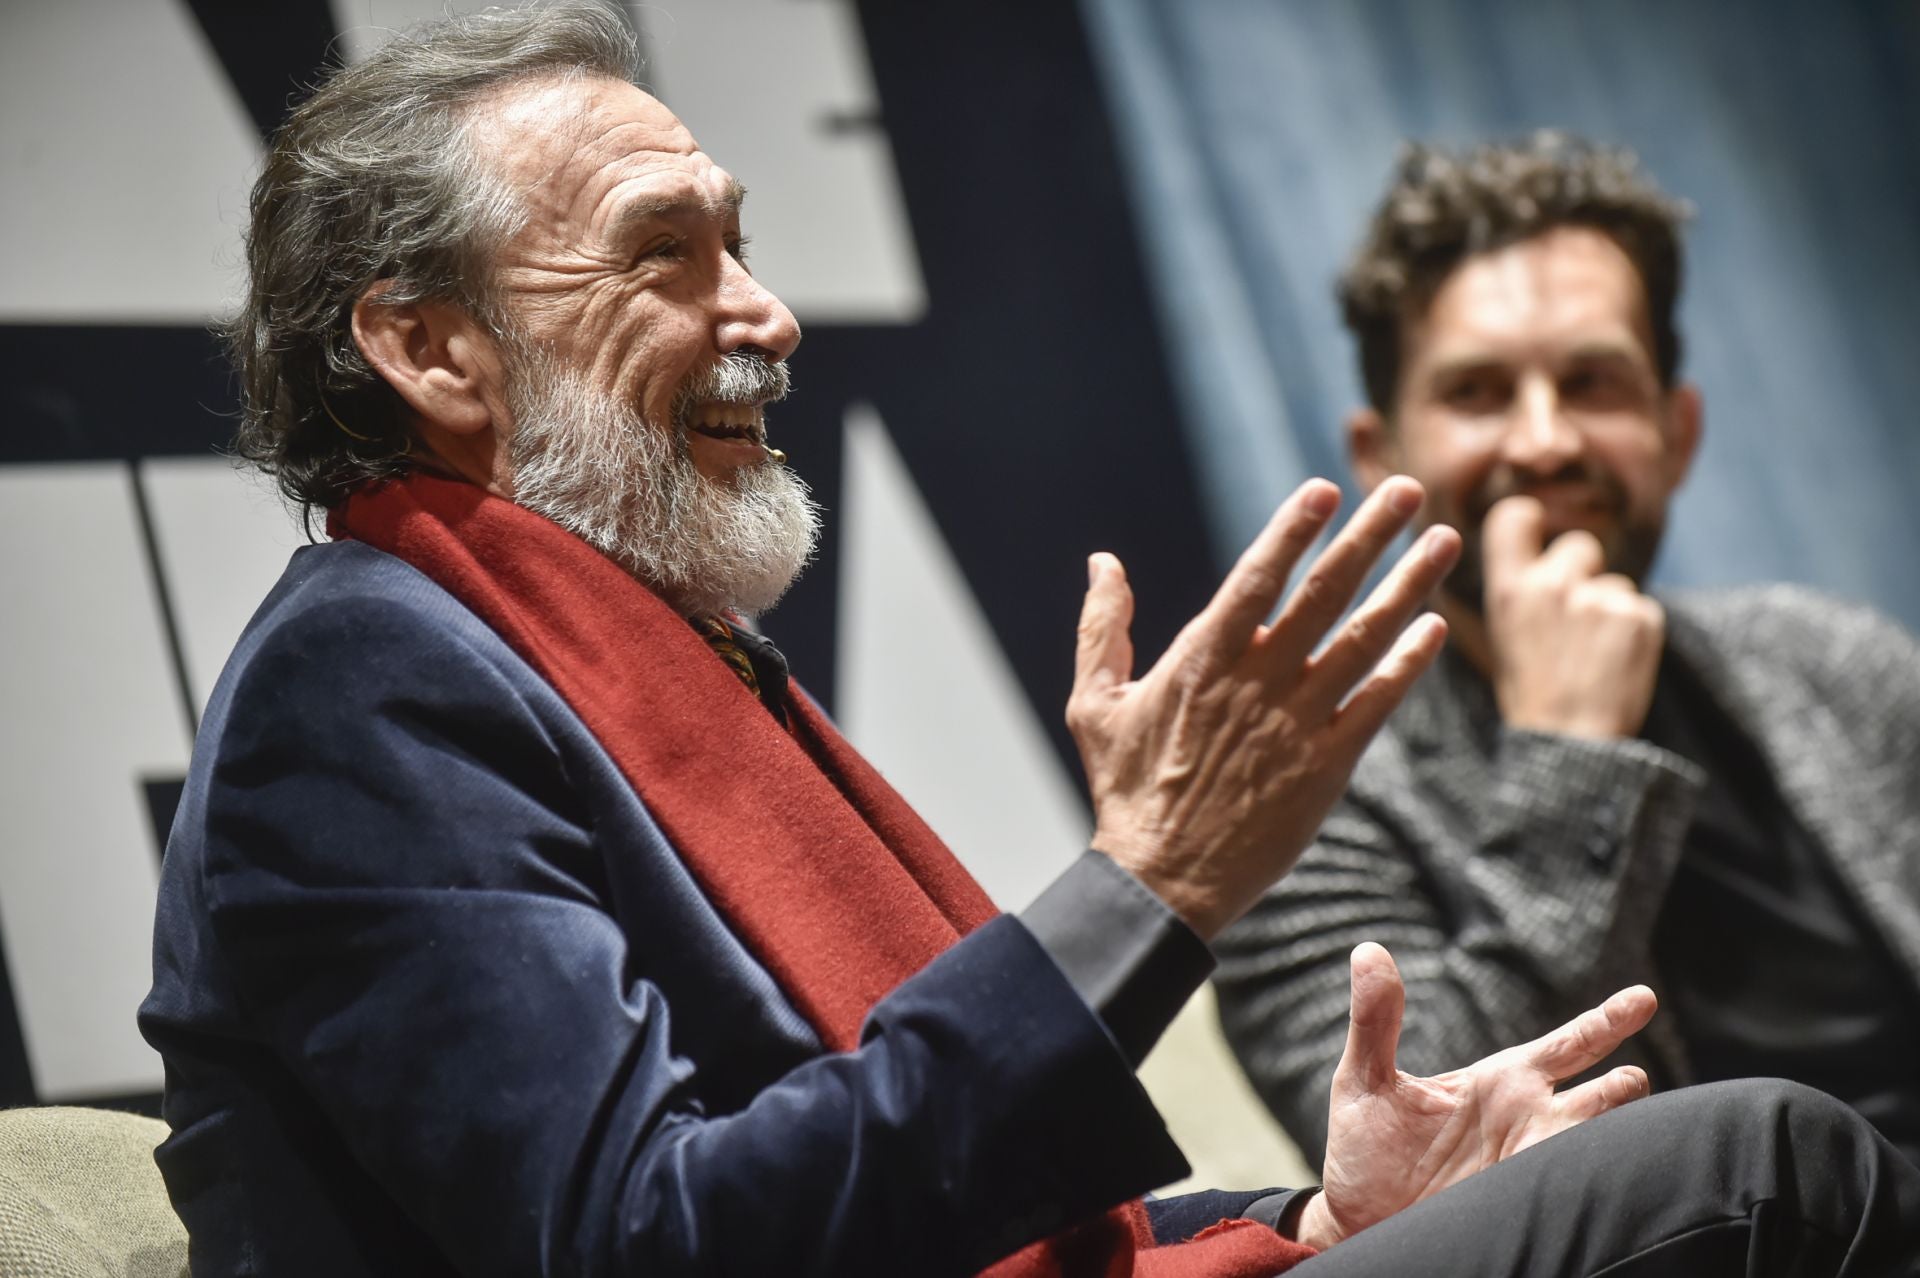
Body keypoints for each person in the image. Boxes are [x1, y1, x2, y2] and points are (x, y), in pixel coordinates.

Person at [138, 14, 1918, 1276]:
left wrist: (1312, 1219)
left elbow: (964, 1198)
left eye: (742, 242)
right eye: (662, 254)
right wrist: (1145, 887)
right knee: (1757, 1157)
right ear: (431, 351)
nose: (763, 311)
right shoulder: (363, 686)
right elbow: (652, 1236)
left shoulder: (656, 658)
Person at [1214, 134, 1920, 1172]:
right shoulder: (1294, 807)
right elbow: (1423, 1180)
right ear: (1380, 455)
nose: (1545, 440)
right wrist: (1567, 756)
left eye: (1593, 382)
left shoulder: (1829, 660)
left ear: (1675, 432)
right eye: (1478, 392)